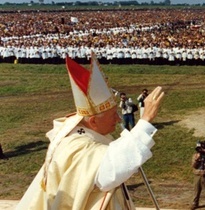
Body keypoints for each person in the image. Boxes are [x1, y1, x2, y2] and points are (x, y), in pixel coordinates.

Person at [15, 52, 165, 209]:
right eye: (113, 115)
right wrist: (145, 120)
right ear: (93, 120)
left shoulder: (78, 129)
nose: (119, 119)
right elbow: (111, 170)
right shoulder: (78, 147)